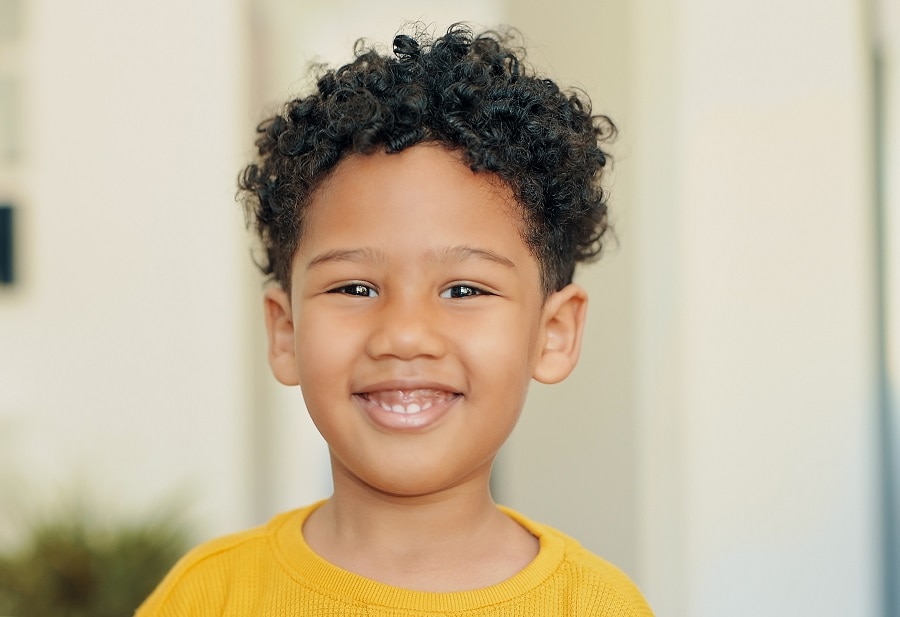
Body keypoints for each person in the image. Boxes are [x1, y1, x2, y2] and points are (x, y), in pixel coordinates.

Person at [136, 23, 653, 616]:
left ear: (553, 333)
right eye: (355, 287)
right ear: (286, 332)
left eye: (463, 289)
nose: (405, 334)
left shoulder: (595, 606)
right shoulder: (208, 597)